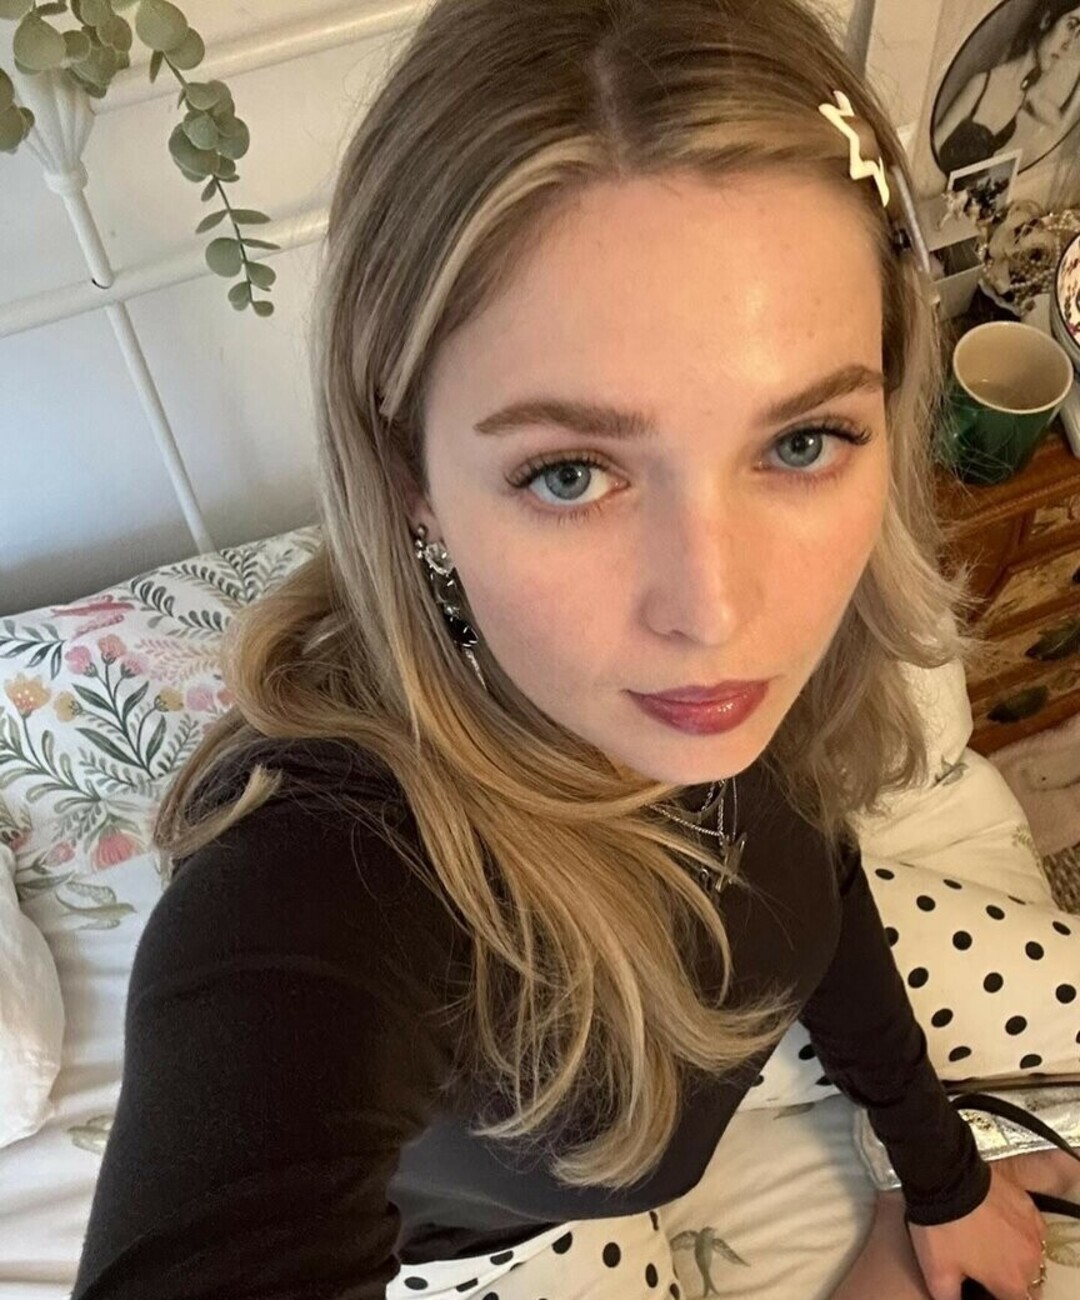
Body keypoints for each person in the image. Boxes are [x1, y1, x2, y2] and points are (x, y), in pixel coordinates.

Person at [70, 2, 1075, 1297]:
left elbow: (814, 873)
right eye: (569, 473)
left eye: (801, 441)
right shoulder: (321, 888)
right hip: (511, 1243)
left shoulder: (778, 648)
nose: (718, 614)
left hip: (756, 1028)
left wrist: (935, 1168)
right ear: (411, 478)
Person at [934, 1, 1080, 177]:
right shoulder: (981, 84)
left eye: (1078, 35)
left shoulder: (1026, 95)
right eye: (1070, 26)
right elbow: (934, 146)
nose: (1068, 45)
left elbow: (1061, 125)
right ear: (1046, 20)